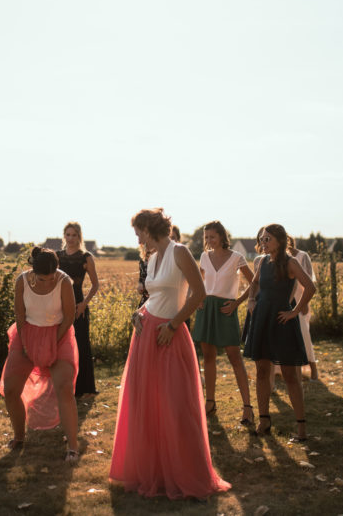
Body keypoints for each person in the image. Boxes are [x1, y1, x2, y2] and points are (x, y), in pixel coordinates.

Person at [110, 208, 230, 500]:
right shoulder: (151, 258)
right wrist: (138, 313)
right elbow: (155, 296)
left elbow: (198, 293)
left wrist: (174, 325)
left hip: (169, 336)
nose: (137, 238)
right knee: (146, 403)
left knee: (175, 406)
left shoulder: (180, 252)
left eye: (138, 232)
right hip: (146, 333)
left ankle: (184, 472)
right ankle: (154, 471)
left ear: (149, 229)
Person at [0, 247, 80, 460]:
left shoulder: (63, 281)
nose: (48, 282)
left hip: (58, 334)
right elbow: (19, 313)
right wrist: (26, 342)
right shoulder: (22, 281)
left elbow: (70, 316)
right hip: (27, 333)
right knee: (10, 389)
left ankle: (72, 445)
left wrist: (51, 343)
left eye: (51, 277)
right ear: (33, 271)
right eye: (43, 279)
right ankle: (19, 436)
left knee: (64, 388)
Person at [243, 224, 317, 442]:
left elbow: (310, 287)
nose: (263, 243)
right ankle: (264, 421)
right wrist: (251, 300)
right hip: (262, 319)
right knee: (261, 370)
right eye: (262, 239)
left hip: (282, 320)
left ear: (280, 241)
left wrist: (295, 311)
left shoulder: (291, 262)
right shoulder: (262, 262)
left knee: (290, 376)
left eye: (268, 239)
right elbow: (254, 284)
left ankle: (302, 429)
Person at [191, 221, 255, 425]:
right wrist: (198, 298)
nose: (209, 241)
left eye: (212, 237)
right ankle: (210, 402)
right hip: (206, 309)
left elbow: (255, 283)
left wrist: (237, 303)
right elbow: (198, 281)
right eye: (206, 237)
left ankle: (247, 407)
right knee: (208, 356)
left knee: (235, 357)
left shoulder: (237, 257)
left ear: (222, 237)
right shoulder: (203, 256)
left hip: (226, 310)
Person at [56, 222, 100, 397]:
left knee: (80, 345)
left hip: (78, 305)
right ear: (64, 236)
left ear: (79, 237)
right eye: (68, 234)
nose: (71, 238)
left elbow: (95, 284)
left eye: (74, 235)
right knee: (60, 345)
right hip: (59, 305)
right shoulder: (57, 256)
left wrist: (84, 304)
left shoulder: (86, 257)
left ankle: (83, 387)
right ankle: (61, 384)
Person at [286, 236, 318, 380]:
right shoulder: (277, 257)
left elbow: (308, 281)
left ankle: (313, 369)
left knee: (304, 336)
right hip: (284, 300)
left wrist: (304, 304)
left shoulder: (301, 256)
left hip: (300, 299)